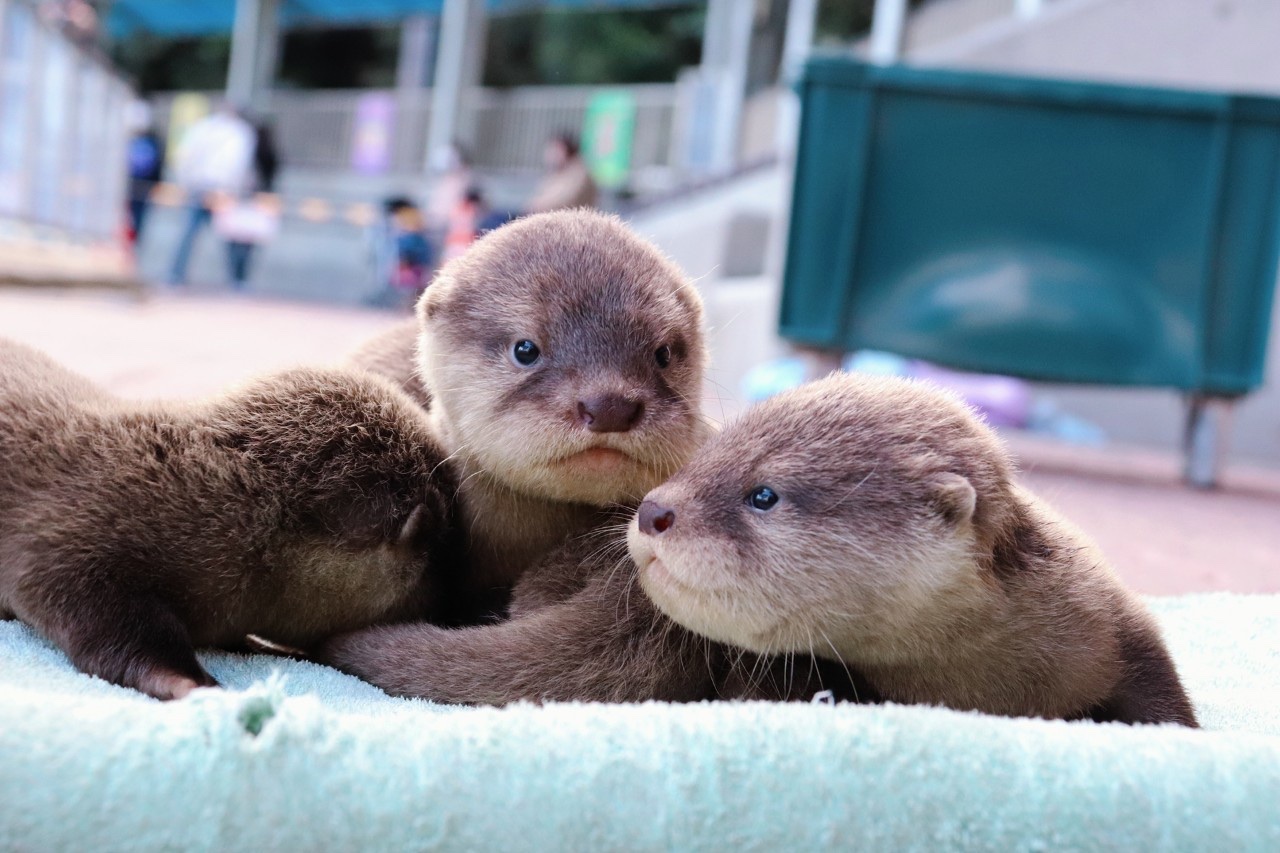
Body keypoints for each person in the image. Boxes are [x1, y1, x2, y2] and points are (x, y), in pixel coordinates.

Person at [167, 103, 254, 286]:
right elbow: (238, 163)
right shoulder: (241, 131)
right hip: (223, 189)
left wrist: (185, 181)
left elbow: (186, 155)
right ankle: (237, 280)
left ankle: (175, 274)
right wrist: (234, 190)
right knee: (230, 236)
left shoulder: (203, 127)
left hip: (199, 186)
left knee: (189, 234)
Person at [219, 122, 281, 289]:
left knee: (235, 241)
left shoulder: (247, 151)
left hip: (245, 200)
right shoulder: (268, 153)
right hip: (254, 202)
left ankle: (236, 277)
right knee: (246, 243)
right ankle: (240, 278)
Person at [526, 131, 598, 213]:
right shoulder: (559, 172)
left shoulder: (579, 173)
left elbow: (566, 201)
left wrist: (538, 206)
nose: (551, 155)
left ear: (566, 150)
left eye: (556, 150)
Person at [124, 115, 164, 248]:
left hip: (143, 186)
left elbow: (157, 164)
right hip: (131, 184)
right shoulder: (130, 140)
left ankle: (133, 246)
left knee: (138, 218)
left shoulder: (151, 142)